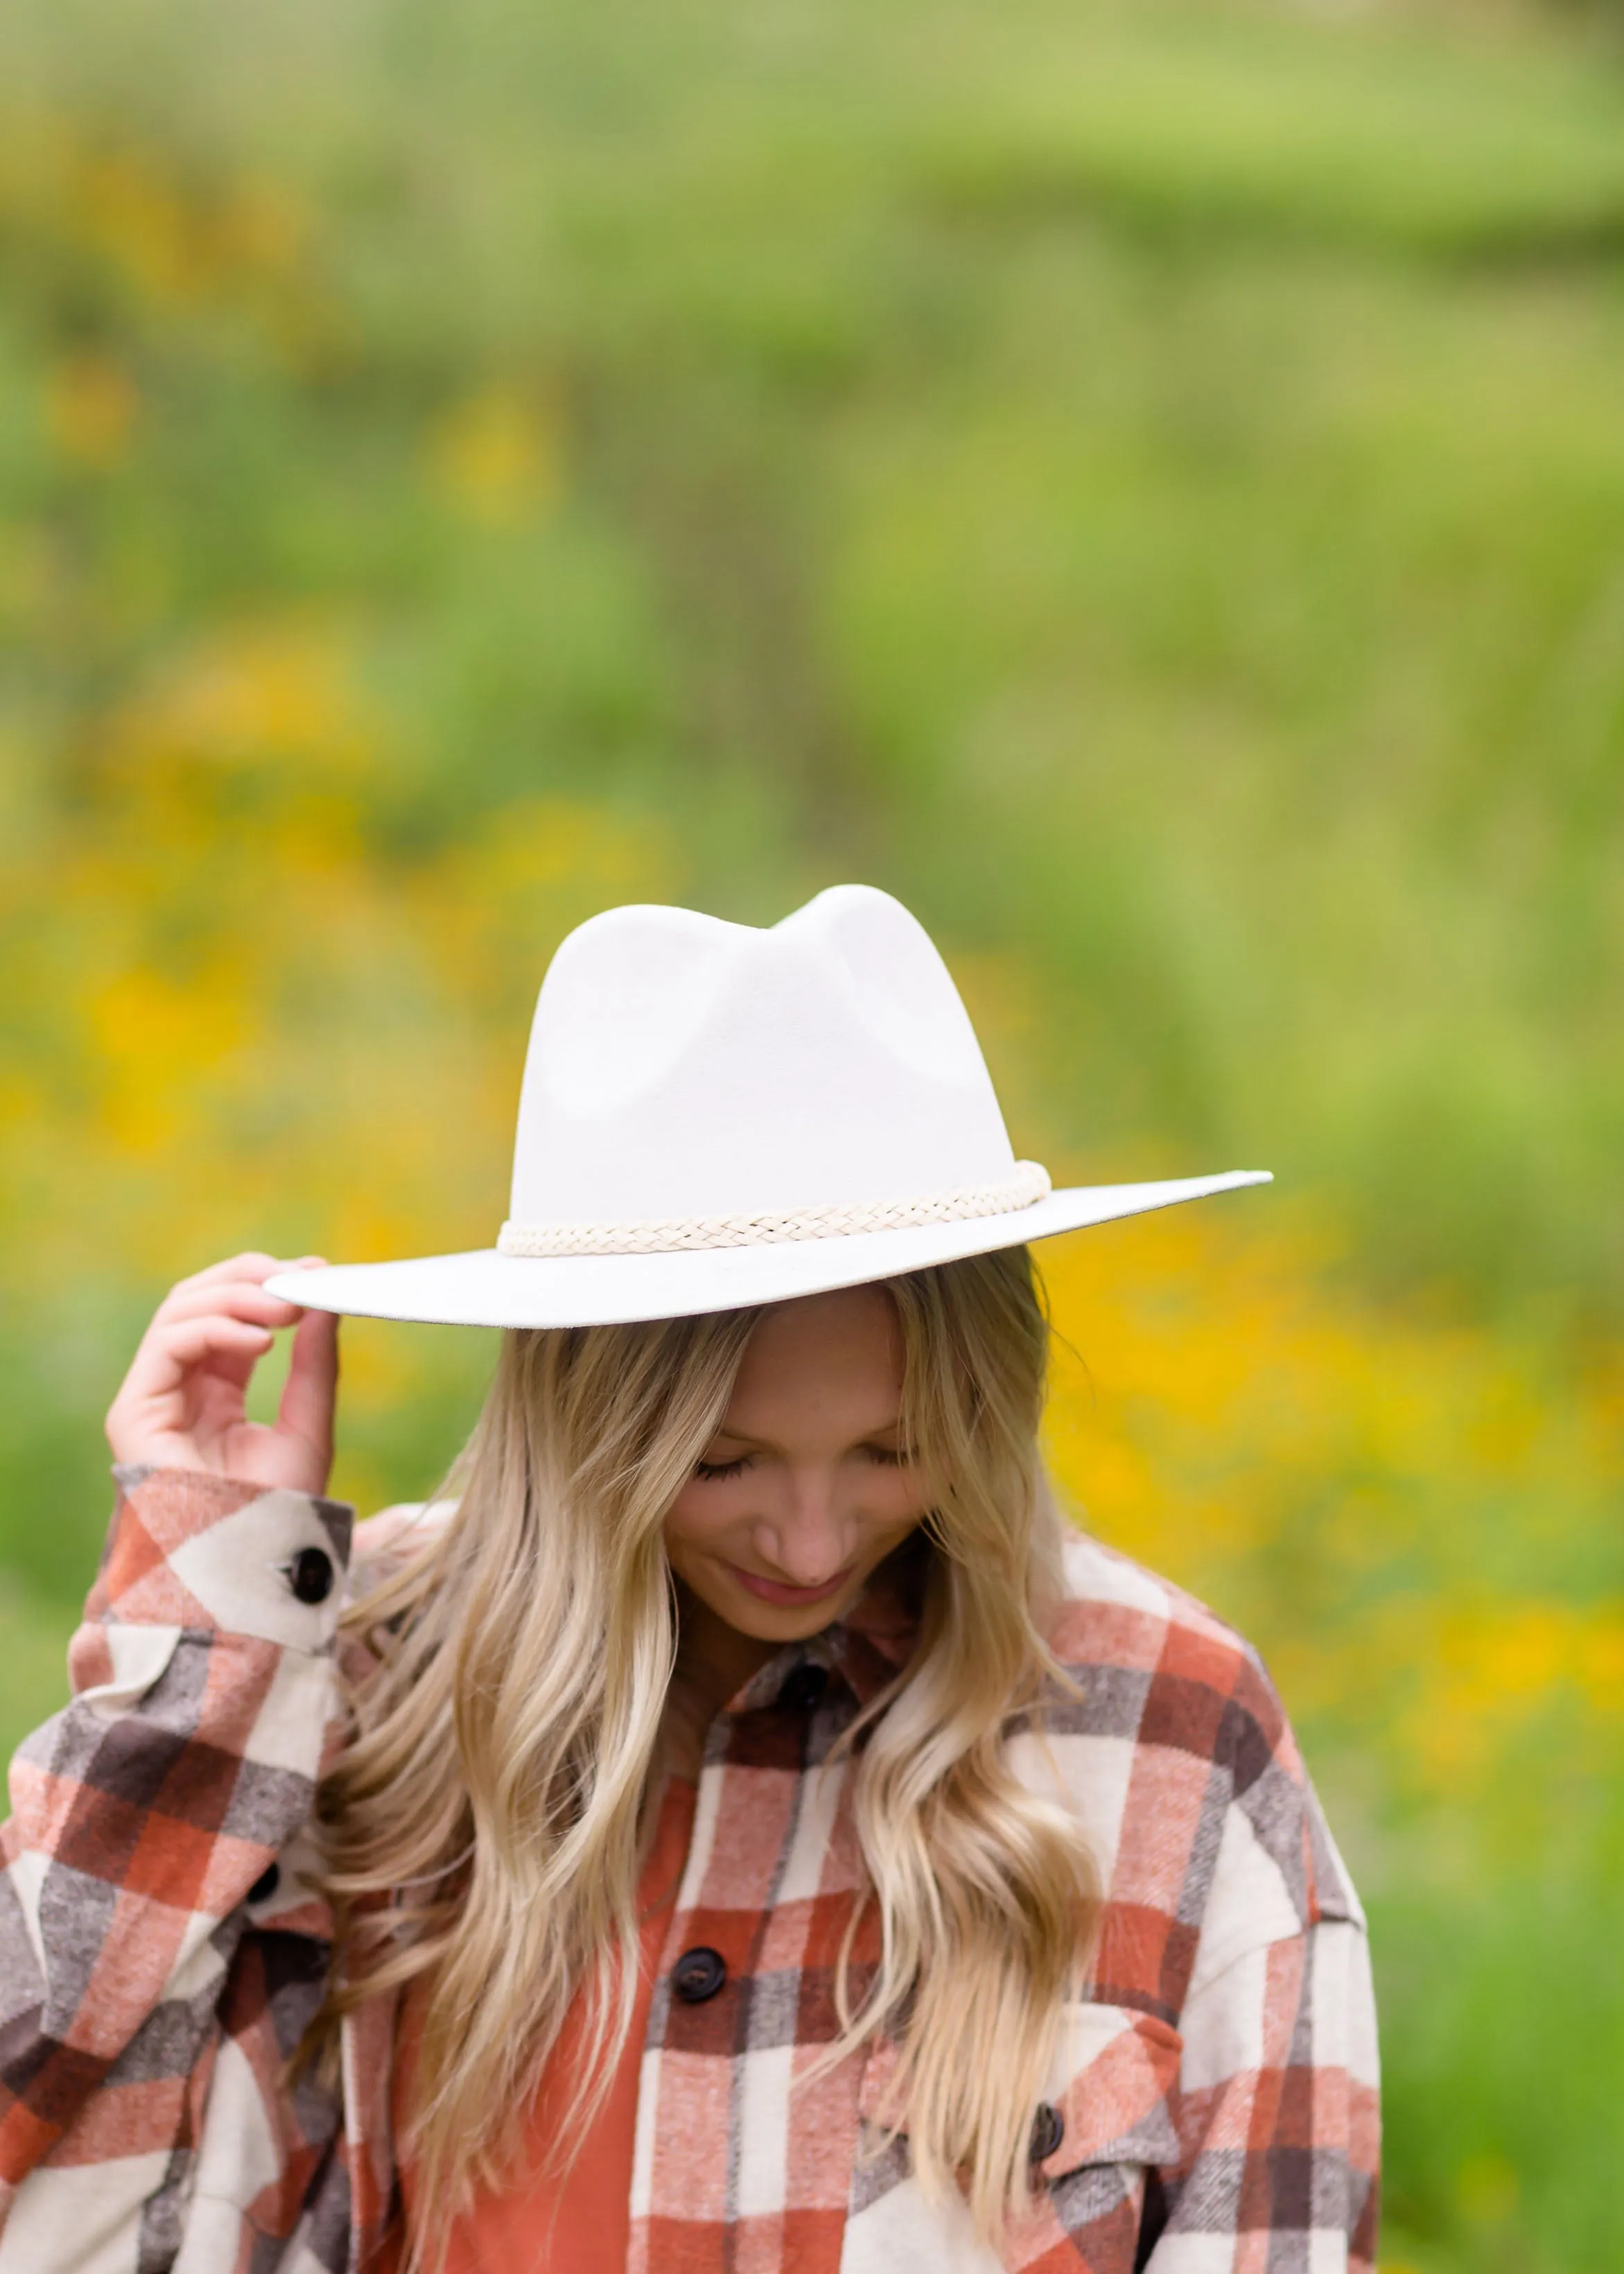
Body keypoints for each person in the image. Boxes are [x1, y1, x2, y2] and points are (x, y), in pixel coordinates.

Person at [0, 885, 1378, 2273]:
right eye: (722, 1465)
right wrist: (212, 1609)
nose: (811, 1540)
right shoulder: (371, 1665)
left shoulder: (1167, 1725)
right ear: (582, 1425)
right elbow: (45, 2137)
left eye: (893, 1449)